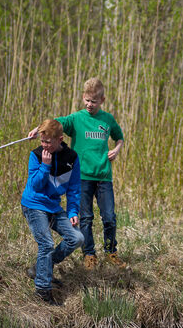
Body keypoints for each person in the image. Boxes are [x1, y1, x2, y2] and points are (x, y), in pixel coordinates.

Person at [28, 77, 126, 270]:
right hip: (82, 177)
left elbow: (119, 137)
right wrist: (38, 129)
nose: (90, 104)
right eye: (87, 100)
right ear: (83, 98)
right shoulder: (76, 119)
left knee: (109, 217)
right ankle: (89, 254)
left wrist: (117, 149)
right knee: (86, 218)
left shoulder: (107, 120)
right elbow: (56, 124)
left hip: (103, 176)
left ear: (102, 100)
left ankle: (111, 252)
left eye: (94, 101)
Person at [21, 119, 85, 304]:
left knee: (77, 238)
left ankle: (41, 267)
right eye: (42, 141)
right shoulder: (36, 155)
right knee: (47, 244)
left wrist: (73, 212)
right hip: (34, 204)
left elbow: (74, 188)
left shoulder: (71, 158)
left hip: (53, 207)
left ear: (60, 139)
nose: (44, 145)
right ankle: (42, 291)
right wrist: (45, 166)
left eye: (48, 142)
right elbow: (35, 185)